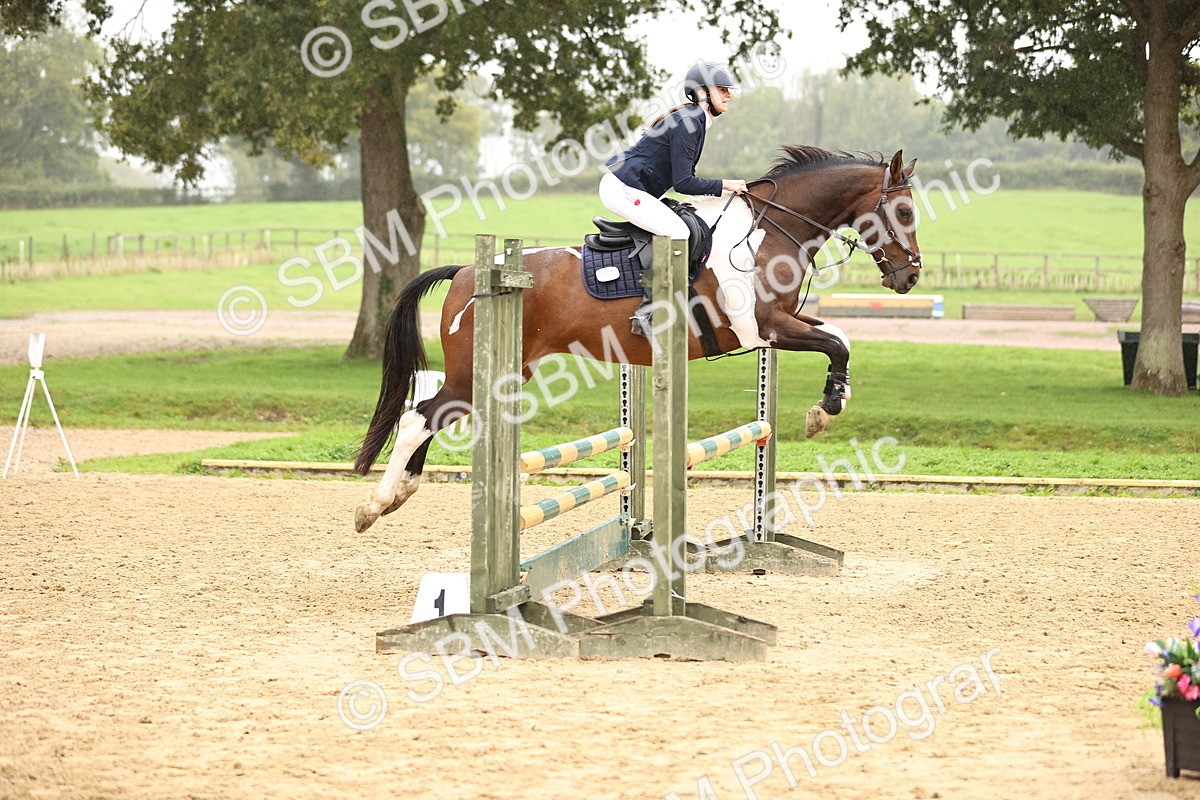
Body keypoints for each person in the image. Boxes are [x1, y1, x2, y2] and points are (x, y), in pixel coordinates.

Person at [600, 61, 748, 336]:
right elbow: (683, 182)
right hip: (621, 187)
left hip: (631, 187)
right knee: (677, 230)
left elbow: (683, 179)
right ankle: (648, 312)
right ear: (703, 93)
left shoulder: (695, 119)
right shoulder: (691, 122)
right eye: (722, 89)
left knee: (681, 223)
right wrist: (726, 185)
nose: (728, 94)